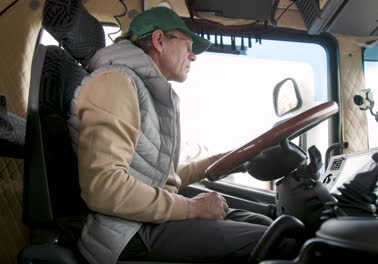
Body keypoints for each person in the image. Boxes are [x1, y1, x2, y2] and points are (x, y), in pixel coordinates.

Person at [67, 6, 283, 264]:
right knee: (278, 242)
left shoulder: (143, 89)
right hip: (126, 234)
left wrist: (232, 157)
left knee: (267, 224)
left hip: (142, 221)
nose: (193, 56)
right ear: (159, 40)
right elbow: (104, 188)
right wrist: (192, 208)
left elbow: (159, 178)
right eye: (188, 45)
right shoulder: (115, 83)